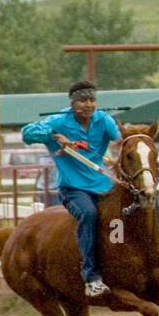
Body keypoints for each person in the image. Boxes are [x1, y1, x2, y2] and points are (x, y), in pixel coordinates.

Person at [21, 80, 122, 297]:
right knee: (88, 213)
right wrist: (53, 136)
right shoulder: (58, 121)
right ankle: (91, 277)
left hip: (103, 184)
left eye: (92, 100)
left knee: (137, 203)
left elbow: (120, 138)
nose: (88, 105)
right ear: (73, 103)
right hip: (73, 188)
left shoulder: (103, 119)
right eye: (83, 100)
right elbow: (27, 133)